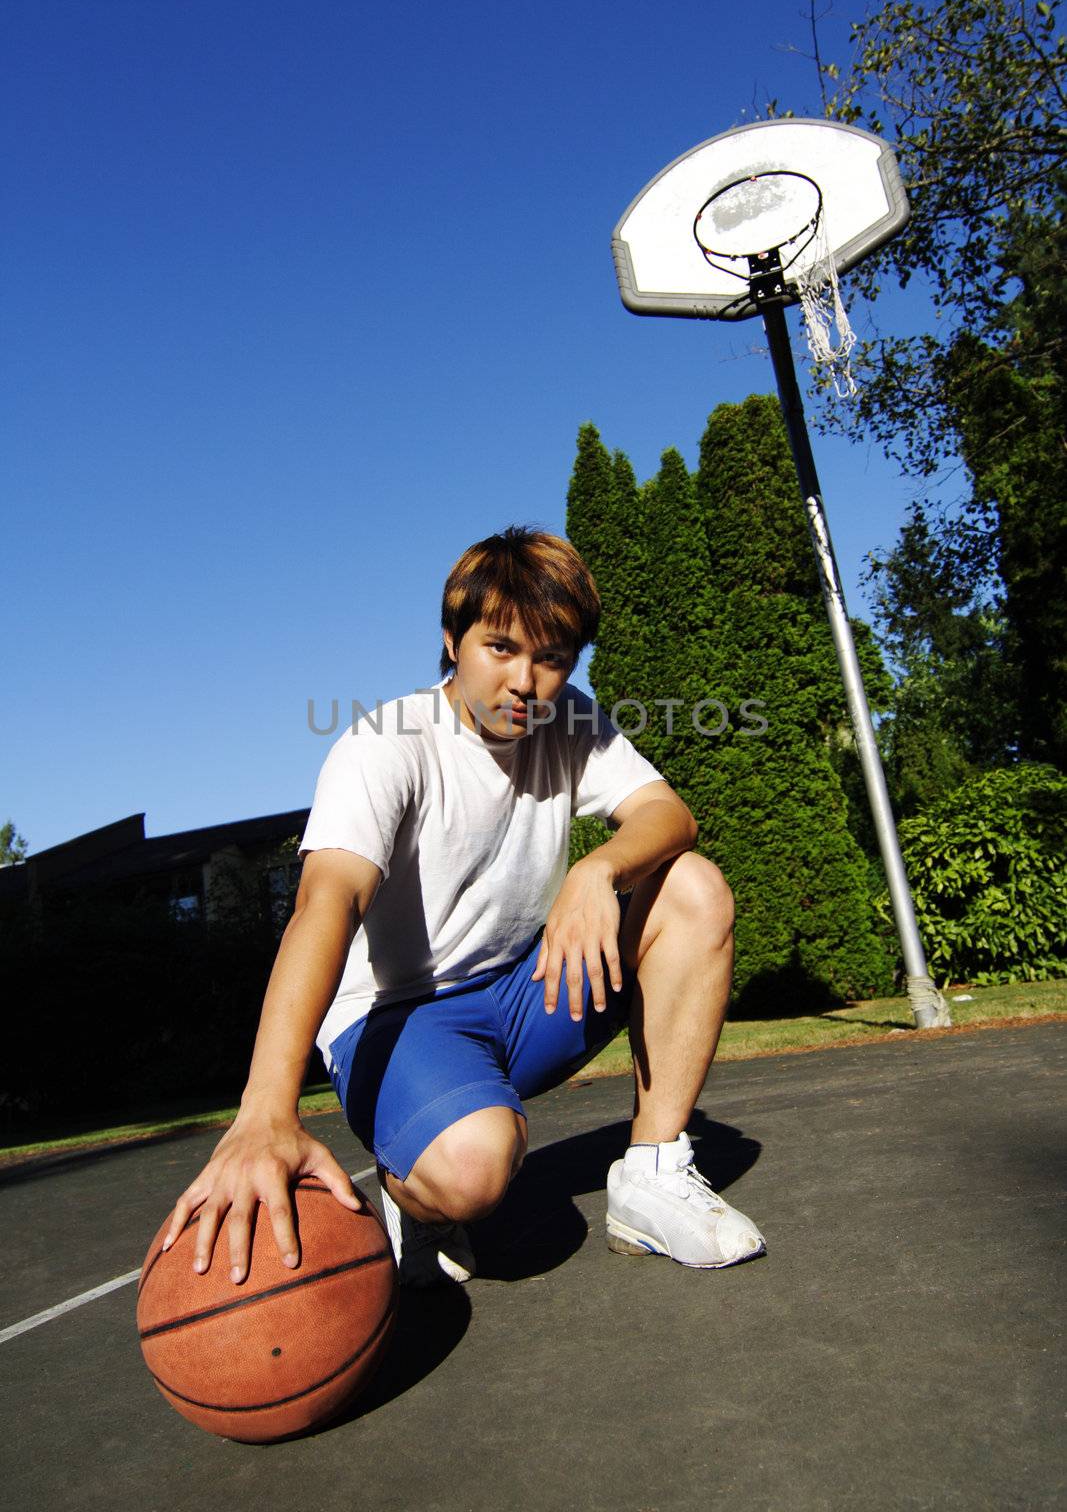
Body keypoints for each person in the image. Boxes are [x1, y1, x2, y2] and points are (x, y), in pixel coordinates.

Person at [164, 527, 764, 1288]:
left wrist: (597, 869)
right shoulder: (386, 745)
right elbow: (325, 901)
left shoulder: (569, 721)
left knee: (691, 887)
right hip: (398, 1017)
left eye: (551, 659)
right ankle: (416, 1195)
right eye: (500, 647)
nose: (525, 681)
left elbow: (668, 814)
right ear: (452, 640)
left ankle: (650, 1175)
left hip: (520, 990)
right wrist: (264, 1111)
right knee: (475, 1171)